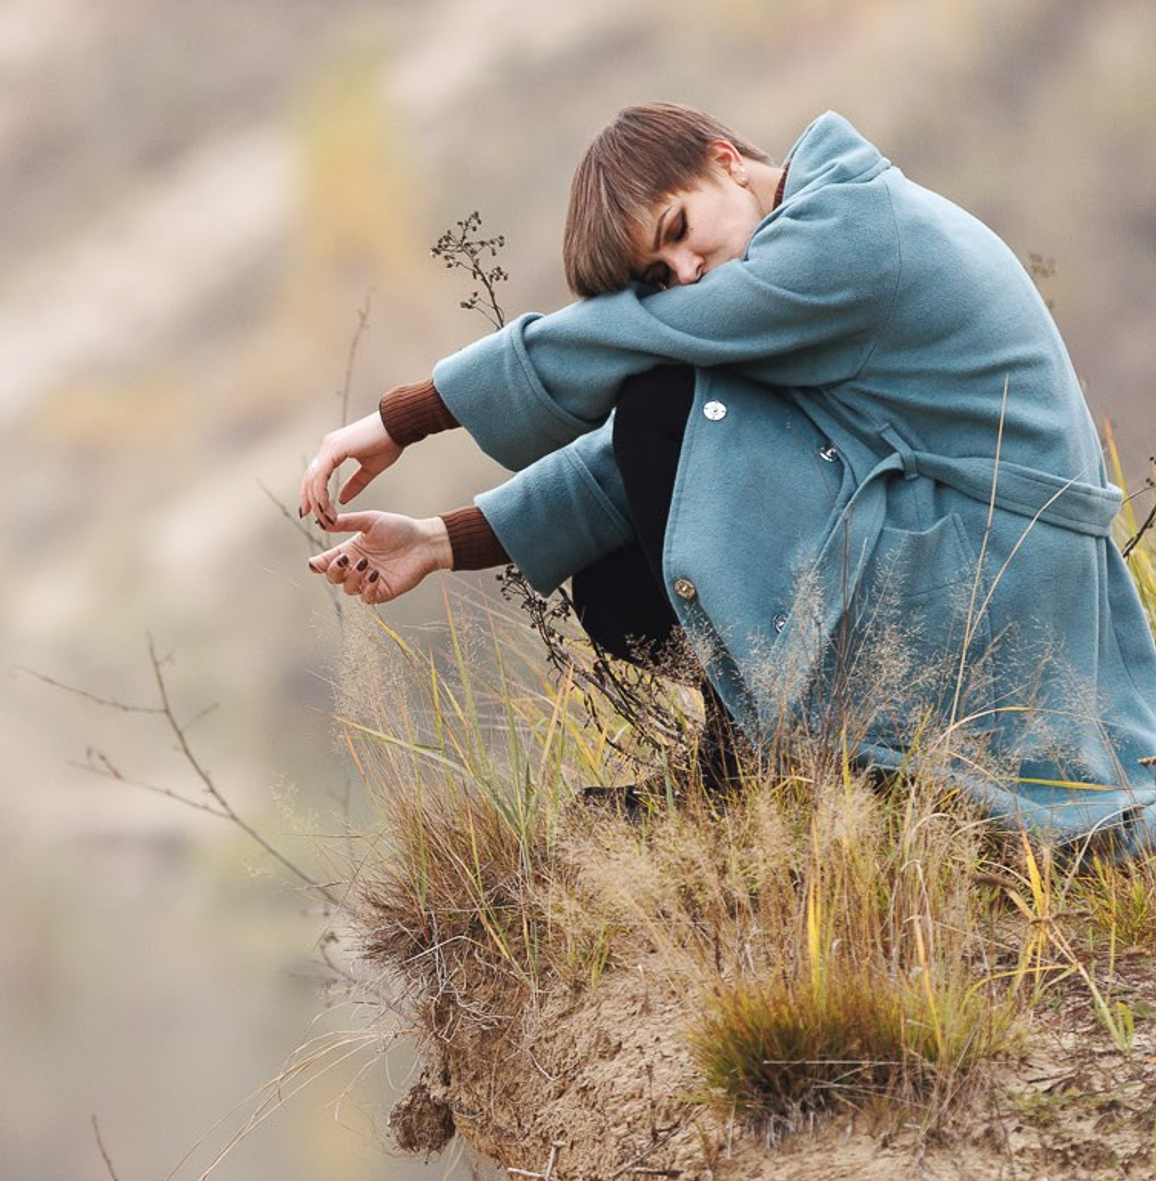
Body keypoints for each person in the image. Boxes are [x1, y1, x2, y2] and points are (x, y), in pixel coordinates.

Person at [298, 104, 1156, 843]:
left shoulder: (850, 235)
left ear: (724, 160)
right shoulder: (804, 249)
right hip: (972, 557)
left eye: (677, 234)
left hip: (1003, 576)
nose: (688, 276)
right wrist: (439, 539)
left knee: (661, 394)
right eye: (660, 277)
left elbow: (637, 359)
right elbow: (668, 451)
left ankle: (744, 769)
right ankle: (761, 754)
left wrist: (403, 418)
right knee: (616, 578)